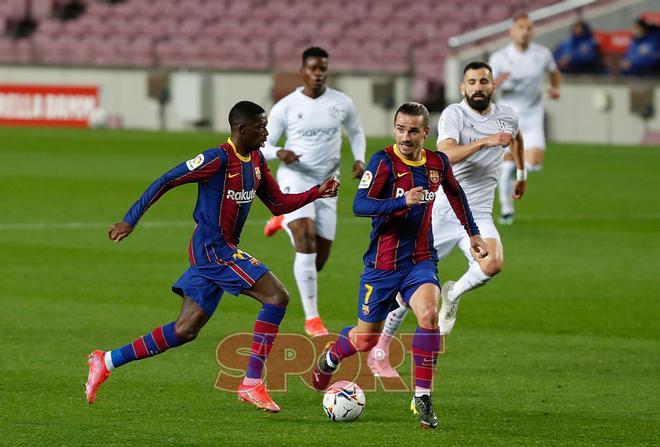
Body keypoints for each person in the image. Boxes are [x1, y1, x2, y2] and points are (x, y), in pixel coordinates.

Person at [85, 101, 339, 413]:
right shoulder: (217, 159)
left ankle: (106, 360)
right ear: (241, 129)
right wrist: (130, 219)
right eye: (261, 126)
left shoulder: (256, 159)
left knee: (185, 330)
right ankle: (251, 383)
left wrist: (316, 192)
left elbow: (277, 202)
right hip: (212, 249)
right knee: (277, 297)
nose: (267, 132)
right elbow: (167, 180)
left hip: (220, 249)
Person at [310, 102, 488, 429]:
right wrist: (400, 202)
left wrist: (473, 233)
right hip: (381, 265)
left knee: (430, 315)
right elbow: (359, 204)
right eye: (401, 129)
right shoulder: (383, 162)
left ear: (425, 133)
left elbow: (456, 193)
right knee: (365, 339)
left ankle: (422, 395)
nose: (406, 136)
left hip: (420, 260)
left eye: (414, 130)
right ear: (395, 129)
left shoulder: (437, 162)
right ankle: (332, 356)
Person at [368, 61, 526, 378]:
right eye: (472, 82)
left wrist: (520, 172)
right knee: (405, 287)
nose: (478, 87)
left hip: (478, 212)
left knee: (492, 263)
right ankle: (380, 351)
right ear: (462, 87)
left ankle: (453, 294)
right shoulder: (454, 115)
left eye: (484, 81)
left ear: (493, 86)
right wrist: (485, 141)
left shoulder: (508, 115)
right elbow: (445, 155)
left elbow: (516, 137)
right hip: (442, 209)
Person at [261, 47, 366, 337]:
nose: (318, 73)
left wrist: (359, 157)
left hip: (327, 185)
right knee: (305, 243)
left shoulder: (341, 102)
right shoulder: (286, 106)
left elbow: (356, 131)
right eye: (313, 68)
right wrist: (279, 151)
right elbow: (262, 143)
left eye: (323, 68)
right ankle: (312, 319)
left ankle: (282, 222)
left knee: (317, 261)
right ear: (302, 71)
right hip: (295, 180)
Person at [489, 13, 560, 224]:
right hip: (508, 118)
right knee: (506, 168)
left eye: (528, 28)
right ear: (512, 31)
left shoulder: (542, 54)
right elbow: (485, 89)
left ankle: (512, 170)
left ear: (532, 32)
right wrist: (496, 83)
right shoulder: (500, 57)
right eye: (521, 27)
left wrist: (555, 88)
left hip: (533, 116)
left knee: (535, 162)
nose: (525, 32)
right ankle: (507, 210)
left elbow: (553, 72)